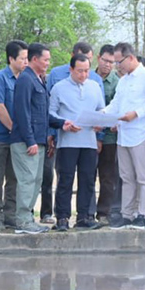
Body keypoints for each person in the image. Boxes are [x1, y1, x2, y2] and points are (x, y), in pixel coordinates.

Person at [103, 42, 145, 231]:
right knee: (126, 176)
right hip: (123, 134)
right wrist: (101, 116)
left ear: (130, 58)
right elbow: (115, 105)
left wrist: (136, 114)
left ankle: (144, 216)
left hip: (140, 133)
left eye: (119, 62)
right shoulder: (123, 81)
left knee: (143, 177)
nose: (117, 66)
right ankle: (127, 215)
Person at [48, 53, 106, 231]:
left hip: (89, 141)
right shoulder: (59, 87)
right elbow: (51, 114)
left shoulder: (95, 86)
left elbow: (101, 110)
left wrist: (99, 123)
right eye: (79, 71)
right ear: (71, 69)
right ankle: (63, 218)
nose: (83, 75)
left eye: (87, 71)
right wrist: (64, 123)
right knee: (65, 180)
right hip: (67, 142)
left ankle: (84, 216)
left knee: (88, 180)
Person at [0, 40, 27, 230]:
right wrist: (13, 128)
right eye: (23, 58)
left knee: (15, 179)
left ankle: (11, 215)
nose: (26, 62)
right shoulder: (0, 79)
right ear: (11, 59)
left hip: (18, 140)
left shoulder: (26, 78)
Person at [11, 42, 52, 234]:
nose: (47, 63)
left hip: (39, 140)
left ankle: (29, 218)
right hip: (27, 141)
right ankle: (23, 221)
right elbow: (22, 112)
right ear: (34, 59)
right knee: (27, 180)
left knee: (36, 180)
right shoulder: (26, 79)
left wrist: (62, 124)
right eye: (45, 60)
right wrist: (30, 140)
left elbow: (43, 114)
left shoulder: (39, 79)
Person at [95, 44, 120, 223]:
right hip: (88, 134)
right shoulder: (87, 77)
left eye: (112, 62)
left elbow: (115, 110)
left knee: (108, 176)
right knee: (87, 175)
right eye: (105, 60)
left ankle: (104, 213)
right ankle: (86, 212)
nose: (108, 65)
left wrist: (102, 136)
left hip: (110, 138)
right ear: (98, 58)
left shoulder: (117, 82)